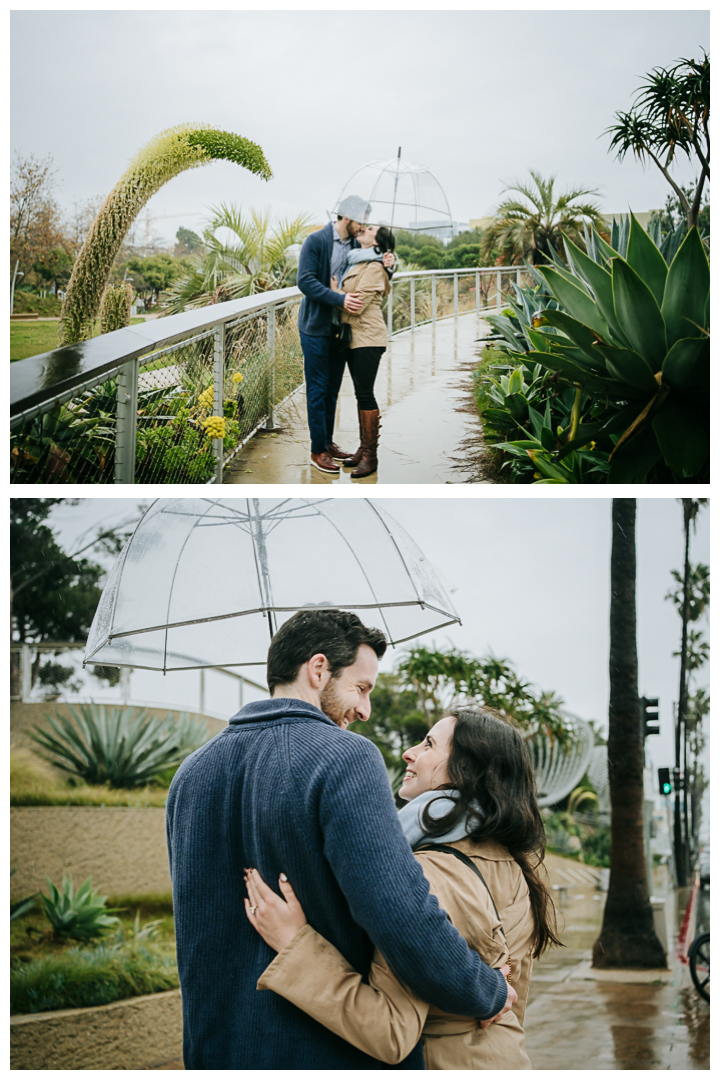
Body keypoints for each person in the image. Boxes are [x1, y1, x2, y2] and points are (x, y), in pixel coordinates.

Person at [166, 613, 515, 1070]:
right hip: (321, 1054)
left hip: (215, 1054)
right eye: (362, 688)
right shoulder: (345, 758)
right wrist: (486, 991)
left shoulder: (188, 774)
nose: (365, 710)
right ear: (317, 669)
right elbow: (403, 916)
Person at [245, 704, 561, 1068]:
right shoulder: (514, 865)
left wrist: (295, 945)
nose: (408, 753)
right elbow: (513, 1003)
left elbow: (390, 1031)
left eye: (428, 744)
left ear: (466, 771)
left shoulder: (426, 870)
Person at [296, 196, 394, 475]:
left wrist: (390, 263)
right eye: (361, 221)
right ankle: (318, 450)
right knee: (317, 388)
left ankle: (327, 442)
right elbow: (305, 281)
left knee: (332, 390)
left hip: (340, 331)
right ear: (347, 218)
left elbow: (373, 272)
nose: (363, 227)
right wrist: (338, 299)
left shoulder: (354, 245)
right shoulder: (316, 241)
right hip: (315, 328)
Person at [329, 224, 395, 478]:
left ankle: (371, 455)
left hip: (368, 338)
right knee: (360, 393)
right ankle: (362, 449)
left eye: (370, 229)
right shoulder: (356, 262)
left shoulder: (376, 268)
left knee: (365, 394)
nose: (364, 229)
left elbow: (356, 304)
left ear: (377, 243)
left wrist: (334, 292)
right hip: (352, 337)